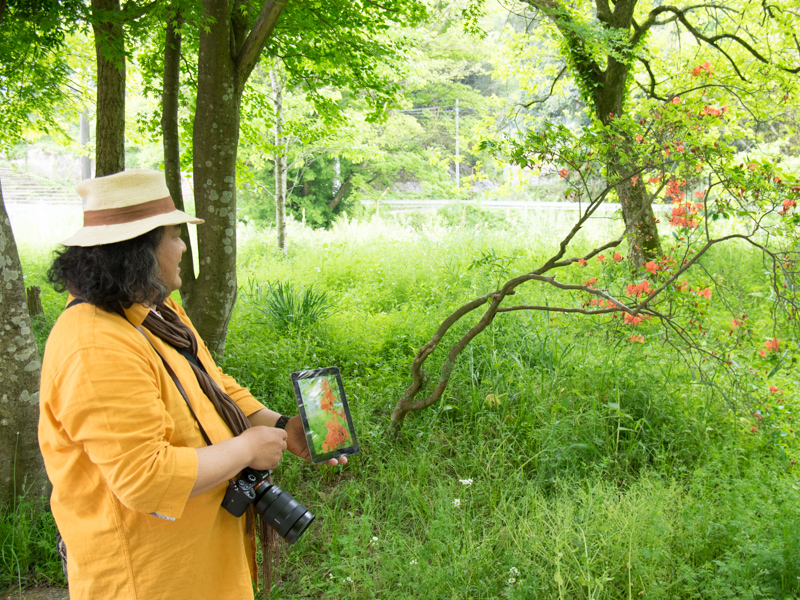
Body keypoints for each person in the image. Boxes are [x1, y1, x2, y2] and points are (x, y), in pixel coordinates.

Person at [38, 169, 345, 600]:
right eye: (175, 236)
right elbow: (145, 478)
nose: (184, 247)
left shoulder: (157, 310)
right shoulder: (95, 346)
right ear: (137, 251)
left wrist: (281, 425)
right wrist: (246, 449)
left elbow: (213, 385)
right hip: (151, 580)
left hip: (202, 563)